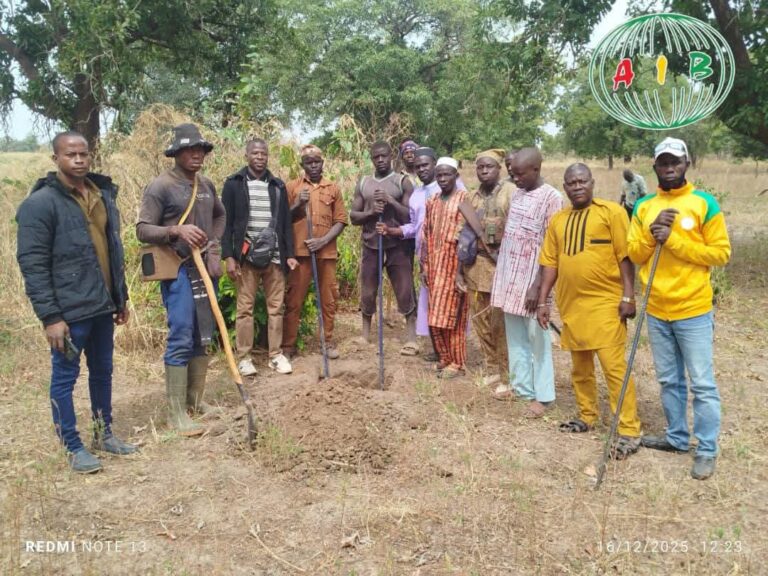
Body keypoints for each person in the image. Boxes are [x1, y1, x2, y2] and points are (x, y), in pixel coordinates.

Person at [17, 131, 135, 473]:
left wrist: (120, 297)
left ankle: (103, 433)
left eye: (84, 153)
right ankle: (72, 445)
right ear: (56, 159)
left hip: (102, 304)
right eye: (71, 155)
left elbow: (113, 249)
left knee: (103, 372)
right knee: (65, 378)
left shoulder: (101, 193)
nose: (79, 160)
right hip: (69, 311)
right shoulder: (40, 204)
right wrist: (50, 317)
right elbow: (33, 264)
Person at [628, 137, 731, 480]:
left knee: (701, 383)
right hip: (656, 309)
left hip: (693, 309)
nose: (669, 167)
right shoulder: (643, 206)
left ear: (687, 163)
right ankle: (675, 436)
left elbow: (720, 254)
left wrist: (673, 239)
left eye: (675, 161)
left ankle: (706, 449)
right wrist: (651, 236)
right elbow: (634, 253)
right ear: (655, 166)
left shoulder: (703, 203)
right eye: (663, 162)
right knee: (669, 379)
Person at [537, 163, 642, 458]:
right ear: (565, 187)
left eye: (582, 181)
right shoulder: (558, 220)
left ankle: (629, 429)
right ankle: (586, 416)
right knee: (580, 368)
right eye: (571, 183)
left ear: (592, 182)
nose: (577, 186)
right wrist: (544, 302)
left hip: (606, 304)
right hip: (572, 306)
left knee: (614, 368)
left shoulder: (611, 212)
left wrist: (629, 296)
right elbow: (549, 263)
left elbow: (625, 257)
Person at [137, 123, 225, 437]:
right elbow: (142, 229)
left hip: (206, 271)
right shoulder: (161, 186)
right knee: (182, 334)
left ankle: (195, 402)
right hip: (177, 272)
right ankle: (176, 415)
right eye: (190, 149)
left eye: (200, 149)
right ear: (176, 153)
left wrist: (214, 247)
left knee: (203, 334)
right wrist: (176, 230)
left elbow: (219, 215)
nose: (196, 155)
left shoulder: (207, 185)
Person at [490, 147, 564, 416]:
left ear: (536, 169)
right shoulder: (518, 193)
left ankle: (544, 397)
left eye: (520, 173)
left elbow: (552, 247)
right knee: (516, 337)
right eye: (513, 173)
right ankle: (522, 387)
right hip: (510, 277)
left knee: (538, 340)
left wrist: (538, 287)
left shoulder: (552, 198)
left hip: (534, 282)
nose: (515, 177)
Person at [376, 147, 465, 360]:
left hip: (450, 256)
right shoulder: (417, 195)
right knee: (432, 304)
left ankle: (455, 356)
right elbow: (414, 227)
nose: (422, 169)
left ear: (434, 163)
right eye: (418, 167)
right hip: (426, 257)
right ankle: (440, 352)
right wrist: (392, 231)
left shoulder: (452, 187)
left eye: (426, 165)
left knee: (450, 305)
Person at [221, 138, 298, 376]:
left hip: (274, 258)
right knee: (245, 309)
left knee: (276, 308)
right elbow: (225, 223)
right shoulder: (234, 184)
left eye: (263, 153)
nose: (260, 157)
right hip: (245, 258)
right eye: (255, 153)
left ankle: (275, 355)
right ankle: (244, 357)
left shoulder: (277, 186)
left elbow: (285, 223)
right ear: (247, 155)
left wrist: (290, 255)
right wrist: (229, 257)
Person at [350, 141, 418, 354]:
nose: (380, 160)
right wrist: (371, 213)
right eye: (376, 157)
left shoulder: (402, 182)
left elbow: (410, 215)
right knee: (368, 291)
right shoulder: (364, 182)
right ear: (372, 158)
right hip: (372, 244)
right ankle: (364, 335)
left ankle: (411, 338)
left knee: (405, 290)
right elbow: (353, 216)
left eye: (384, 156)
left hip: (398, 246)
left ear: (391, 157)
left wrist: (390, 202)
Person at [282, 144, 347, 359]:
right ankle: (289, 346)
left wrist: (323, 241)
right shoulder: (292, 187)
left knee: (328, 299)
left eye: (316, 162)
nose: (313, 166)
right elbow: (283, 220)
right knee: (294, 300)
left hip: (325, 254)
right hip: (300, 254)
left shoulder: (333, 188)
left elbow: (340, 221)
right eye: (308, 163)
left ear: (322, 163)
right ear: (302, 165)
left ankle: (326, 342)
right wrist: (298, 205)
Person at [456, 149, 514, 389]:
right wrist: (459, 271)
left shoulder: (510, 193)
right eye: (480, 167)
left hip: (500, 266)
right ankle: (491, 368)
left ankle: (507, 373)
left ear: (499, 168)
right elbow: (464, 236)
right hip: (475, 268)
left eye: (489, 166)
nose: (484, 171)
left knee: (500, 324)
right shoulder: (472, 197)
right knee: (480, 321)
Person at [421, 157, 470, 378]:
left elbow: (466, 237)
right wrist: (424, 265)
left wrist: (461, 272)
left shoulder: (464, 199)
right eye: (439, 175)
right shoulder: (432, 201)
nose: (442, 179)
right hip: (434, 267)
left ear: (456, 176)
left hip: (454, 269)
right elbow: (426, 234)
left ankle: (457, 363)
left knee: (454, 318)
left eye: (447, 174)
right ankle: (445, 357)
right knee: (435, 317)